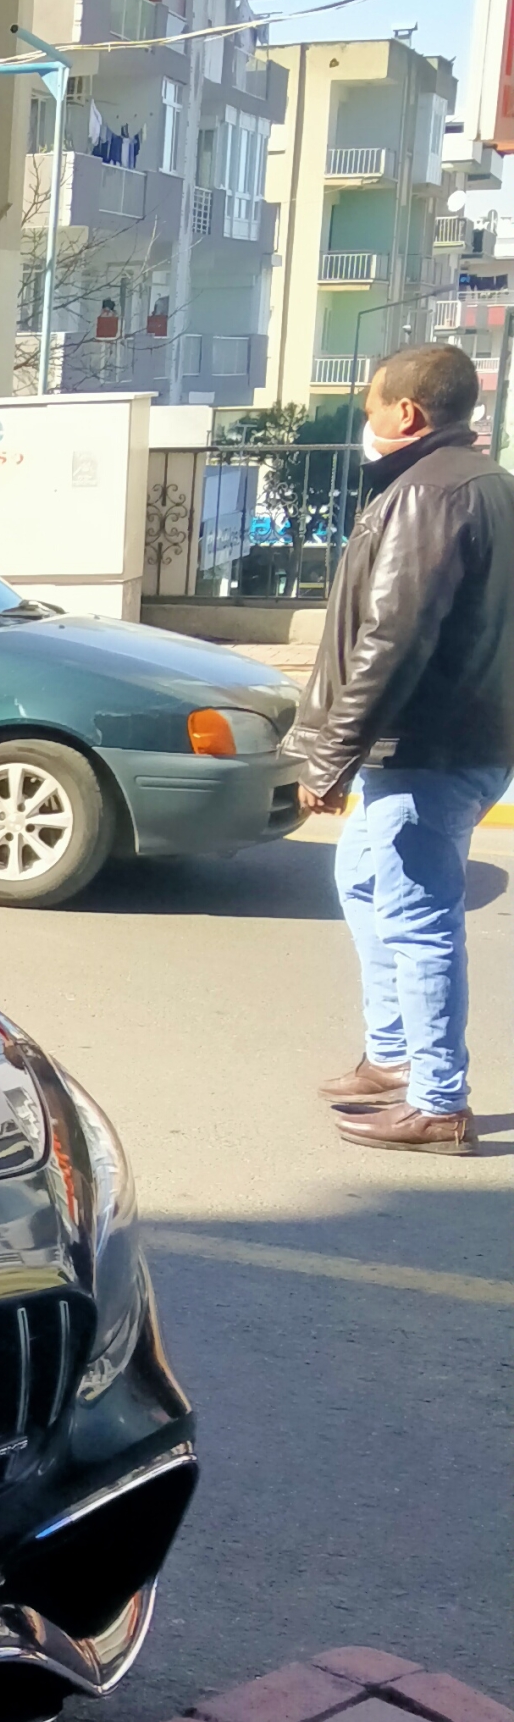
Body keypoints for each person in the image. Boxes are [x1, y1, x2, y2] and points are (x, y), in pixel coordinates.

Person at [296, 341, 514, 1155]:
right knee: (360, 878)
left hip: (429, 744)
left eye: (371, 412)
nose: (368, 427)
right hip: (465, 735)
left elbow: (392, 640)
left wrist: (331, 758)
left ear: (409, 414)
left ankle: (437, 1100)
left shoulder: (429, 496)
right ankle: (393, 1055)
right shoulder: (487, 486)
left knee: (419, 918)